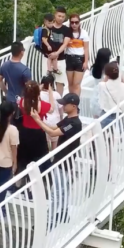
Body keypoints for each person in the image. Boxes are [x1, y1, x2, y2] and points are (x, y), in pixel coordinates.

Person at [29, 93, 82, 225]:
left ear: (74, 106)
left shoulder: (74, 123)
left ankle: (51, 220)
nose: (62, 106)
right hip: (62, 159)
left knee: (56, 192)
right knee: (62, 190)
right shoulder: (68, 119)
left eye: (65, 104)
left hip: (64, 161)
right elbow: (54, 127)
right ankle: (63, 213)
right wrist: (39, 119)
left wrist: (37, 120)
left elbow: (53, 133)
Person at [0, 100, 20, 208]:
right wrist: (15, 163)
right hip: (6, 162)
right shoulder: (13, 130)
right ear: (12, 113)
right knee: (3, 186)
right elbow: (14, 148)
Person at [17, 81, 54, 171]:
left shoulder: (22, 102)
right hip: (38, 133)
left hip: (24, 132)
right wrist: (50, 93)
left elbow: (29, 101)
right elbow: (52, 109)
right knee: (40, 156)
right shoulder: (41, 105)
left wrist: (36, 93)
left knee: (25, 154)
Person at [0, 41, 32, 124]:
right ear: (21, 52)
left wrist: (6, 91)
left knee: (8, 123)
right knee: (20, 125)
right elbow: (29, 87)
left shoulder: (4, 65)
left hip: (9, 99)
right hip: (21, 103)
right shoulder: (25, 70)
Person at [44, 6, 73, 95]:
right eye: (59, 16)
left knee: (60, 81)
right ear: (55, 15)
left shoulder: (66, 30)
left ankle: (58, 101)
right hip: (47, 58)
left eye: (63, 17)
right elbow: (43, 40)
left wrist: (56, 53)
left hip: (60, 59)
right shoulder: (48, 27)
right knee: (47, 80)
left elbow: (65, 44)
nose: (61, 18)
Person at [98, 62, 124, 129]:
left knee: (105, 133)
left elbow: (103, 82)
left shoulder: (102, 85)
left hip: (106, 113)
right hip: (118, 113)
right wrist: (120, 74)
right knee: (118, 134)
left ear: (106, 74)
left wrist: (107, 76)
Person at [65, 14, 90, 95]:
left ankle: (75, 104)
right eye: (72, 22)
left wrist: (86, 62)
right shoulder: (67, 32)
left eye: (76, 22)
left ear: (79, 23)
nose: (74, 24)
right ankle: (71, 100)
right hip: (69, 58)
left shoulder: (84, 33)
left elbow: (86, 48)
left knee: (76, 84)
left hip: (79, 59)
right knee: (70, 83)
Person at [40, 75, 63, 150]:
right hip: (55, 123)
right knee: (55, 145)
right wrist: (61, 120)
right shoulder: (56, 95)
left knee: (45, 145)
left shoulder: (39, 95)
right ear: (52, 84)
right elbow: (60, 110)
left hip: (44, 122)